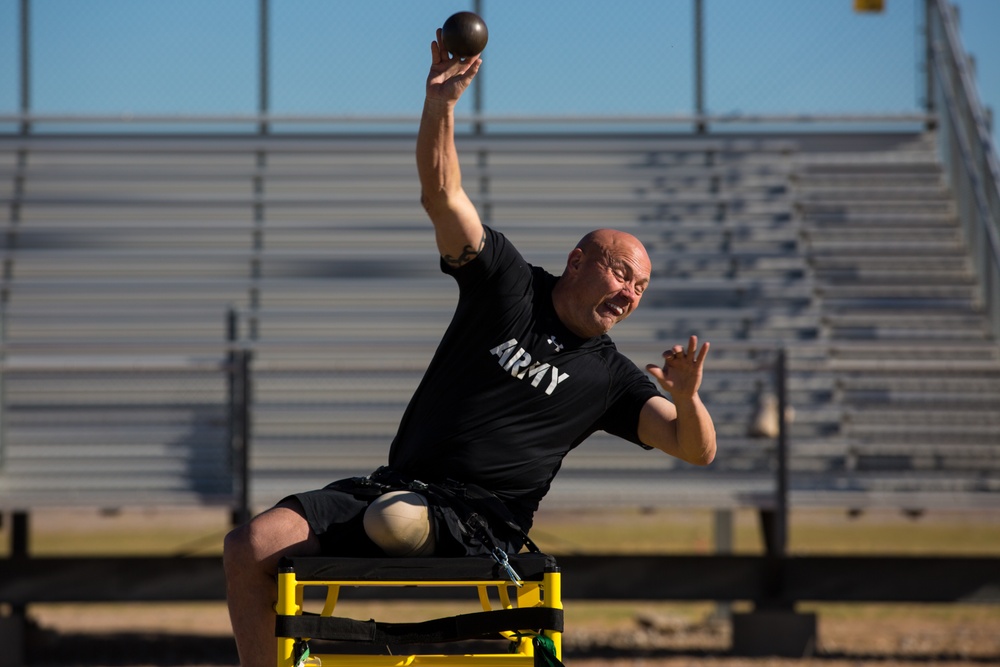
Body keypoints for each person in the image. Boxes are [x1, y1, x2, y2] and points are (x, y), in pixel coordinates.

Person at [222, 27, 717, 667]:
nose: (630, 293)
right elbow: (442, 195)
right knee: (251, 543)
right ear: (577, 261)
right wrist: (442, 106)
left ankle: (411, 523)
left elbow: (694, 448)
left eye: (641, 288)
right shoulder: (506, 283)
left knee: (397, 523)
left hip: (483, 527)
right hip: (393, 489)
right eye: (622, 273)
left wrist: (688, 397)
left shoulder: (613, 379)